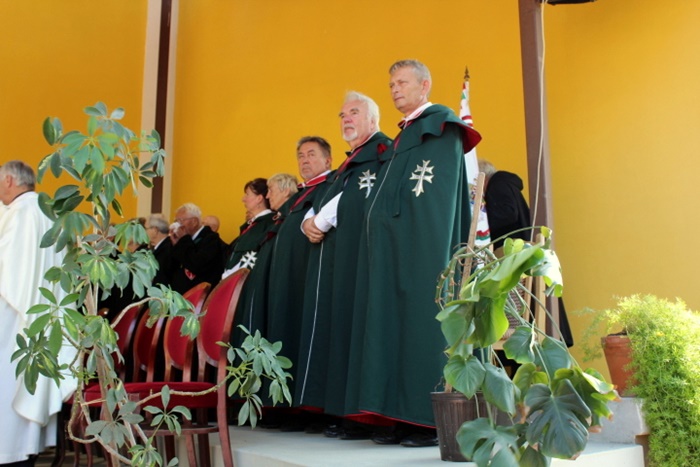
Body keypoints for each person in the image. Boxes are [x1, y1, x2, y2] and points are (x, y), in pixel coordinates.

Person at [346, 60, 481, 447]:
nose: (394, 89)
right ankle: (397, 414)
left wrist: (415, 242)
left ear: (425, 86)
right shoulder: (404, 136)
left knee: (423, 325)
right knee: (392, 326)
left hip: (423, 250)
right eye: (391, 83)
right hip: (393, 251)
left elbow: (435, 199)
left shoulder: (441, 127)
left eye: (402, 82)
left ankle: (426, 420)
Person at [296, 92, 392, 439]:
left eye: (353, 112)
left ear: (372, 119)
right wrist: (307, 221)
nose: (346, 119)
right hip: (341, 259)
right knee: (341, 333)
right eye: (342, 114)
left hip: (365, 257)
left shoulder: (382, 152)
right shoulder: (349, 162)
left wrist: (320, 221)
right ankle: (346, 412)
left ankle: (366, 415)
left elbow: (355, 199)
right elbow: (324, 198)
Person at [0, 161, 77, 466]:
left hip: (14, 321)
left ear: (8, 180)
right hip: (43, 320)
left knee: (10, 390)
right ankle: (24, 451)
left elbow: (8, 276)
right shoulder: (49, 212)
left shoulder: (20, 214)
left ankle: (11, 453)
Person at [266, 137, 334, 429]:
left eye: (311, 154)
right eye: (301, 156)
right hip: (291, 281)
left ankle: (313, 409)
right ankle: (290, 406)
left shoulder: (330, 187)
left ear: (328, 160)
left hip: (312, 278)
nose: (304, 160)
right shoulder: (300, 194)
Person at [226, 178, 274, 347]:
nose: (243, 199)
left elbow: (254, 253)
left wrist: (234, 274)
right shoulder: (252, 224)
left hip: (245, 284)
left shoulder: (267, 223)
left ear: (260, 198)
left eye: (247, 194)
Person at [169, 203, 226, 294]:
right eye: (176, 221)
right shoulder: (185, 239)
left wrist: (184, 240)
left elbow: (195, 264)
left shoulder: (211, 239)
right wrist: (176, 245)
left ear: (194, 221)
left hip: (200, 295)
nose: (177, 225)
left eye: (180, 221)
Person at [478, 159, 531, 249]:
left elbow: (507, 213)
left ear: (483, 177)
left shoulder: (497, 184)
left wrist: (482, 224)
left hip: (510, 246)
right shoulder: (504, 183)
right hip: (519, 242)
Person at [146, 213, 174, 287]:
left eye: (146, 229)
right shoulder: (163, 247)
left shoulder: (168, 249)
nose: (145, 232)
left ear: (155, 230)